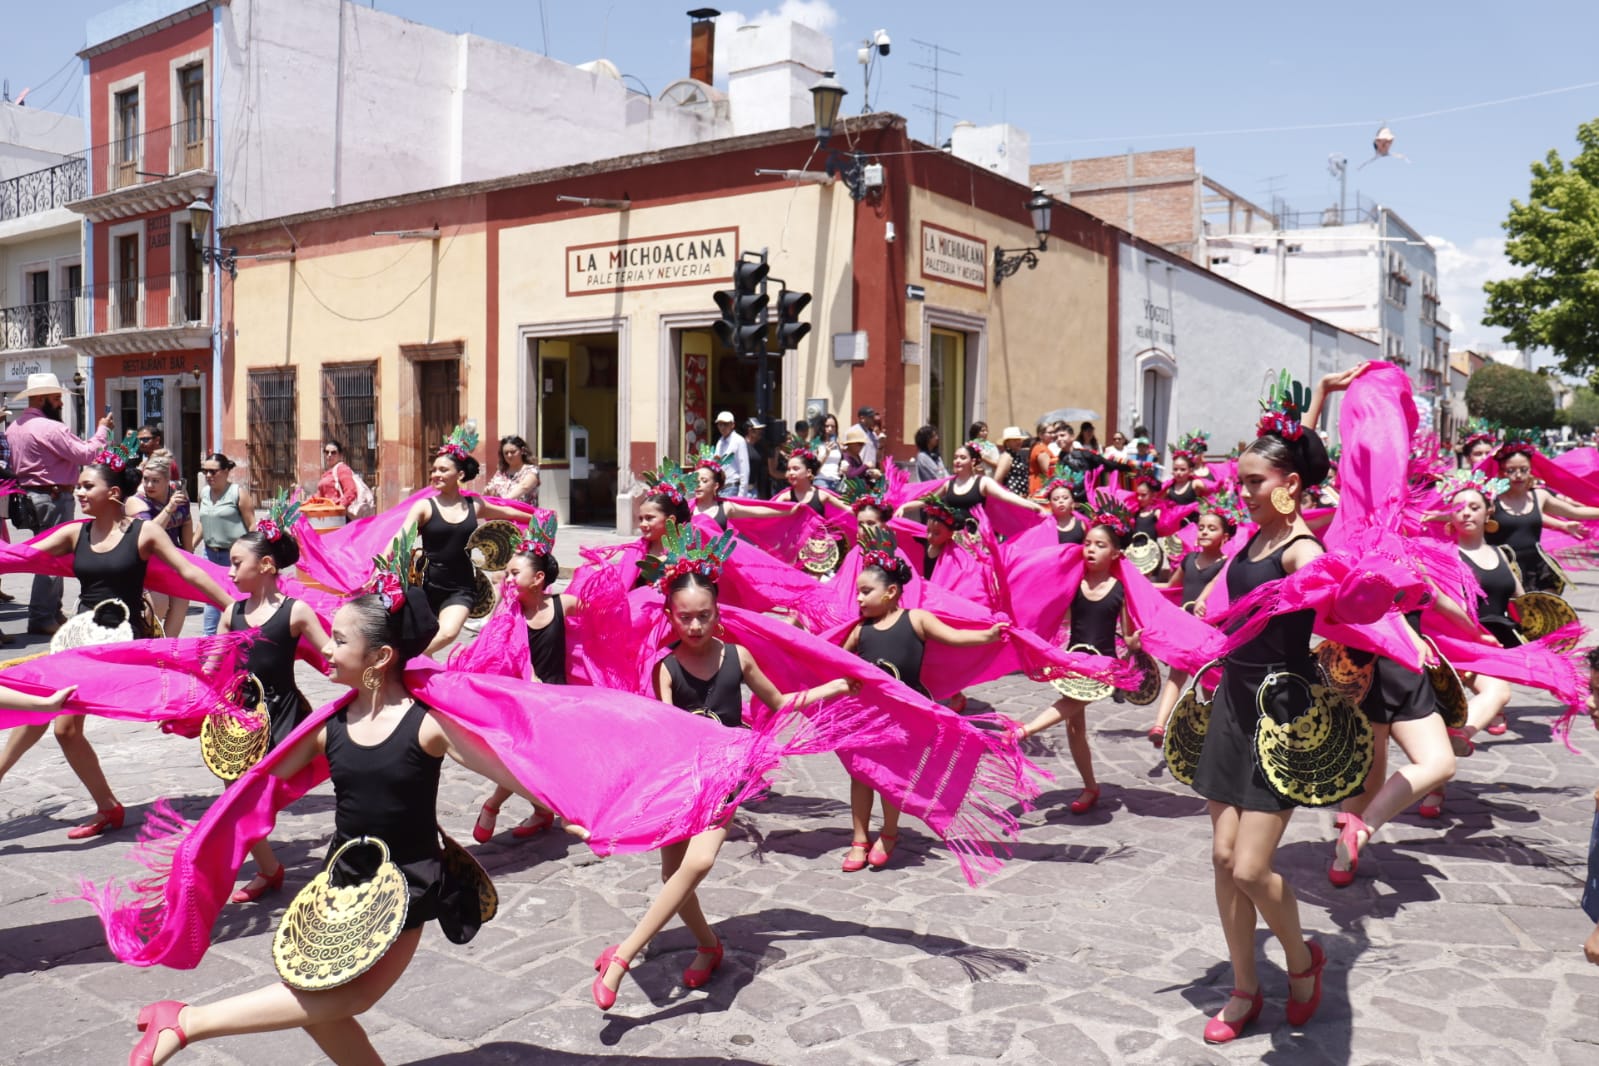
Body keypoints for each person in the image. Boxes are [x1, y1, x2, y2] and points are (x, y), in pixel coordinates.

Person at [124, 585, 547, 1066]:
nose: (325, 647)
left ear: (380, 656)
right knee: (321, 1000)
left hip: (405, 883)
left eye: (340, 640)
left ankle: (186, 1021)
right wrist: (201, 712)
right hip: (339, 883)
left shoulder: (427, 726)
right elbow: (264, 775)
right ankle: (183, 1019)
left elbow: (508, 771)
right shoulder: (329, 727)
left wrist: (578, 811)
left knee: (347, 999)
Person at [592, 557, 855, 1010]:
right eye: (685, 616)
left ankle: (624, 955)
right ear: (670, 616)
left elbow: (781, 701)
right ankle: (709, 945)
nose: (695, 625)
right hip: (680, 782)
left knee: (698, 864)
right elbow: (660, 735)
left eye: (704, 615)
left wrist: (833, 688)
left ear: (719, 612)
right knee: (673, 875)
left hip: (726, 778)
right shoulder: (665, 668)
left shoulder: (738, 657)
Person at [1188, 369, 1357, 1044]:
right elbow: (1230, 606)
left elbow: (1334, 604)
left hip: (1280, 718)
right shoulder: (1250, 540)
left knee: (1250, 866)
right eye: (1241, 482)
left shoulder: (1301, 550)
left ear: (1290, 488)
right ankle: (1243, 987)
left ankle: (1300, 959)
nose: (1244, 493)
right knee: (1221, 859)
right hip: (1230, 703)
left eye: (1254, 483)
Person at [0, 439, 232, 839]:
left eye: (87, 486)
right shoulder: (76, 534)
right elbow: (22, 556)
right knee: (50, 718)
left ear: (113, 493)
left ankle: (245, 782)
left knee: (59, 724)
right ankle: (109, 807)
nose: (78, 492)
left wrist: (231, 605)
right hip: (77, 641)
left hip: (120, 645)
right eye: (79, 487)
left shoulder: (144, 535)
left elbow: (189, 573)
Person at [841, 538, 1003, 870]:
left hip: (904, 717)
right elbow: (835, 660)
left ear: (890, 593)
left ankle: (888, 833)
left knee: (890, 777)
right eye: (858, 591)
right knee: (860, 775)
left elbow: (956, 638)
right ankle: (859, 837)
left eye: (866, 591)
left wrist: (988, 636)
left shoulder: (916, 620)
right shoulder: (860, 630)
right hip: (867, 717)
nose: (858, 598)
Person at [216, 503, 332, 902]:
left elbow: (330, 654)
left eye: (236, 564)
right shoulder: (231, 613)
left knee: (252, 796)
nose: (229, 573)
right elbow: (213, 664)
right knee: (236, 797)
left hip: (285, 717)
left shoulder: (295, 611)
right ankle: (270, 869)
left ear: (265, 565)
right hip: (242, 721)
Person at [1011, 503, 1141, 815]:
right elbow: (1054, 615)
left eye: (1100, 545)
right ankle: (1090, 787)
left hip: (1104, 666)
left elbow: (1128, 633)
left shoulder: (1121, 589)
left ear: (1115, 554)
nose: (1091, 550)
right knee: (1074, 728)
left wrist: (1138, 644)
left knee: (1071, 706)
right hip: (1073, 661)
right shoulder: (1074, 584)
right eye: (1087, 543)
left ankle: (1024, 731)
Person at [472, 532, 570, 842]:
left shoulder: (562, 605)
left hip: (558, 697)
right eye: (508, 573)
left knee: (538, 760)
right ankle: (512, 807)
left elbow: (601, 615)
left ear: (538, 578)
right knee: (522, 758)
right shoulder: (508, 617)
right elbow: (492, 656)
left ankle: (520, 808)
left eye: (515, 573)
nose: (508, 578)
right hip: (523, 700)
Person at [404, 427, 532, 656]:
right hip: (426, 585)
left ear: (460, 475)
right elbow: (401, 539)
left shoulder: (475, 505)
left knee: (447, 633)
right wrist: (383, 564)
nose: (436, 474)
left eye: (443, 469)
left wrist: (538, 518)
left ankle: (404, 662)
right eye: (434, 470)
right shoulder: (424, 507)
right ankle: (417, 675)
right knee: (423, 636)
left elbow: (508, 512)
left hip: (461, 586)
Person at [6, 372, 112, 637]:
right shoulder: (50, 428)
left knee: (49, 554)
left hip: (28, 497)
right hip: (53, 497)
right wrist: (103, 430)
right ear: (41, 399)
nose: (61, 403)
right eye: (56, 398)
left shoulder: (14, 427)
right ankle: (42, 615)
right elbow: (87, 453)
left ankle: (52, 611)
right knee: (53, 558)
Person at [1486, 437, 1599, 592]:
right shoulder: (1490, 499)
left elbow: (1575, 512)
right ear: (1501, 473)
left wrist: (1565, 524)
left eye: (1523, 469)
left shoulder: (1539, 496)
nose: (1518, 475)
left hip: (1535, 569)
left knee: (1541, 613)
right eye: (1511, 470)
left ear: (1530, 470)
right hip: (1502, 569)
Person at [127, 450, 194, 637]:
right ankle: (147, 646)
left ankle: (167, 650)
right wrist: (170, 508)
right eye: (146, 479)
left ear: (168, 480)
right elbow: (149, 531)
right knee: (158, 606)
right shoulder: (137, 501)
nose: (149, 485)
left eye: (155, 480)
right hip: (149, 563)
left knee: (181, 602)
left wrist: (190, 556)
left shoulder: (178, 493)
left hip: (173, 559)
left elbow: (187, 522)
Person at [193, 452, 257, 636]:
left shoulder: (237, 493)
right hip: (210, 555)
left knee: (236, 598)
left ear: (226, 471)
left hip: (234, 557)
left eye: (213, 472)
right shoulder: (204, 493)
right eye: (205, 471)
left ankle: (241, 636)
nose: (208, 476)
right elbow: (202, 523)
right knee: (211, 600)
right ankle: (210, 640)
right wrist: (189, 546)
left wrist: (252, 553)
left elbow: (251, 524)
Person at [484, 434, 540, 505]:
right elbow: (490, 491)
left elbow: (525, 486)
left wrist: (504, 501)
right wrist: (489, 492)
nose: (509, 455)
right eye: (506, 453)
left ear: (522, 451)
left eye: (513, 452)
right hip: (501, 513)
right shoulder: (501, 472)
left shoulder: (531, 470)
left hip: (523, 514)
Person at [712, 412, 752, 498]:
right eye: (720, 424)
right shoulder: (720, 441)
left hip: (733, 487)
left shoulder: (739, 441)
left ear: (732, 425)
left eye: (725, 424)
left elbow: (744, 468)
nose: (722, 427)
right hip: (721, 488)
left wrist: (742, 494)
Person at [313, 440, 359, 510]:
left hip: (338, 516)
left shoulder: (342, 469)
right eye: (326, 452)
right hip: (326, 514)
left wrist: (339, 506)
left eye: (333, 452)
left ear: (340, 455)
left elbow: (351, 491)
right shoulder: (327, 473)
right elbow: (320, 496)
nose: (329, 455)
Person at [812, 413, 843, 490]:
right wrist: (826, 454)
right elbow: (814, 467)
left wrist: (842, 467)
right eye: (827, 426)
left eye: (833, 426)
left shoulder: (837, 444)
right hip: (821, 480)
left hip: (836, 480)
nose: (830, 429)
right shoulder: (816, 444)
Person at [849, 405, 884, 472]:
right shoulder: (852, 432)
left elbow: (878, 458)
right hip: (858, 473)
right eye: (871, 417)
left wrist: (881, 445)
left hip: (872, 474)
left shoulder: (873, 435)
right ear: (862, 418)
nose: (874, 419)